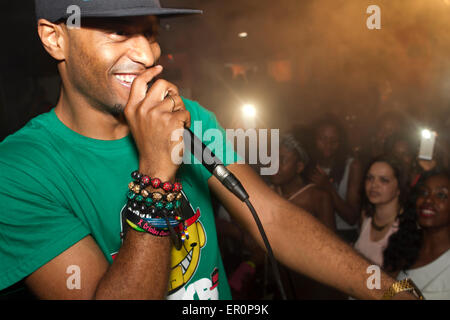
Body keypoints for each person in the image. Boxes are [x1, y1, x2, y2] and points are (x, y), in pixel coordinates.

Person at [0, 0, 417, 300]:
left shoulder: (189, 117)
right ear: (54, 39)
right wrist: (155, 178)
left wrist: (385, 288)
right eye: (119, 32)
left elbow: (269, 216)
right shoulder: (20, 171)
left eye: (150, 31)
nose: (147, 54)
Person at [383, 170, 450, 299]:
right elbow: (385, 294)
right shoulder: (404, 247)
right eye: (424, 193)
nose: (428, 200)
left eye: (441, 195)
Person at [308, 113, 363, 243]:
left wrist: (329, 188)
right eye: (323, 139)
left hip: (345, 236)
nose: (328, 144)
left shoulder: (352, 166)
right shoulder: (306, 165)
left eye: (334, 140)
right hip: (314, 234)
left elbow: (352, 217)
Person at [270, 132, 336, 231]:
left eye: (282, 160)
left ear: (299, 167)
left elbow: (332, 242)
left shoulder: (318, 197)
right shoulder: (268, 192)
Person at [354, 156, 409, 267]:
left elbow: (408, 281)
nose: (374, 185)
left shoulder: (407, 227)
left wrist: (383, 284)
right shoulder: (366, 216)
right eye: (370, 178)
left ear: (399, 188)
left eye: (383, 180)